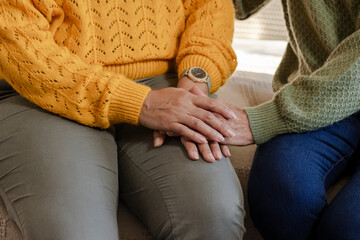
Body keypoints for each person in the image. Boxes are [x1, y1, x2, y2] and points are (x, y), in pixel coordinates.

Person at [0, 0, 245, 239]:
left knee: (215, 214)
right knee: (78, 232)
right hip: (41, 88)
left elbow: (211, 8)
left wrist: (193, 85)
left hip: (166, 82)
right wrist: (140, 103)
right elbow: (15, 37)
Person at [204, 0, 359, 239]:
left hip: (318, 98)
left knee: (347, 229)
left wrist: (269, 118)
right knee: (278, 195)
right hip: (317, 96)